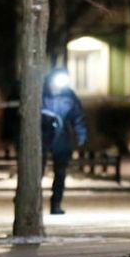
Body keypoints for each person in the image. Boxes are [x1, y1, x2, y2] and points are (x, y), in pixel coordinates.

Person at [41, 67, 88, 215]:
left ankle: (56, 204)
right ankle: (33, 204)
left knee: (60, 173)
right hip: (42, 136)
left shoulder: (69, 96)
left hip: (61, 136)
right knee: (37, 172)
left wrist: (81, 135)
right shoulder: (40, 93)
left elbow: (78, 117)